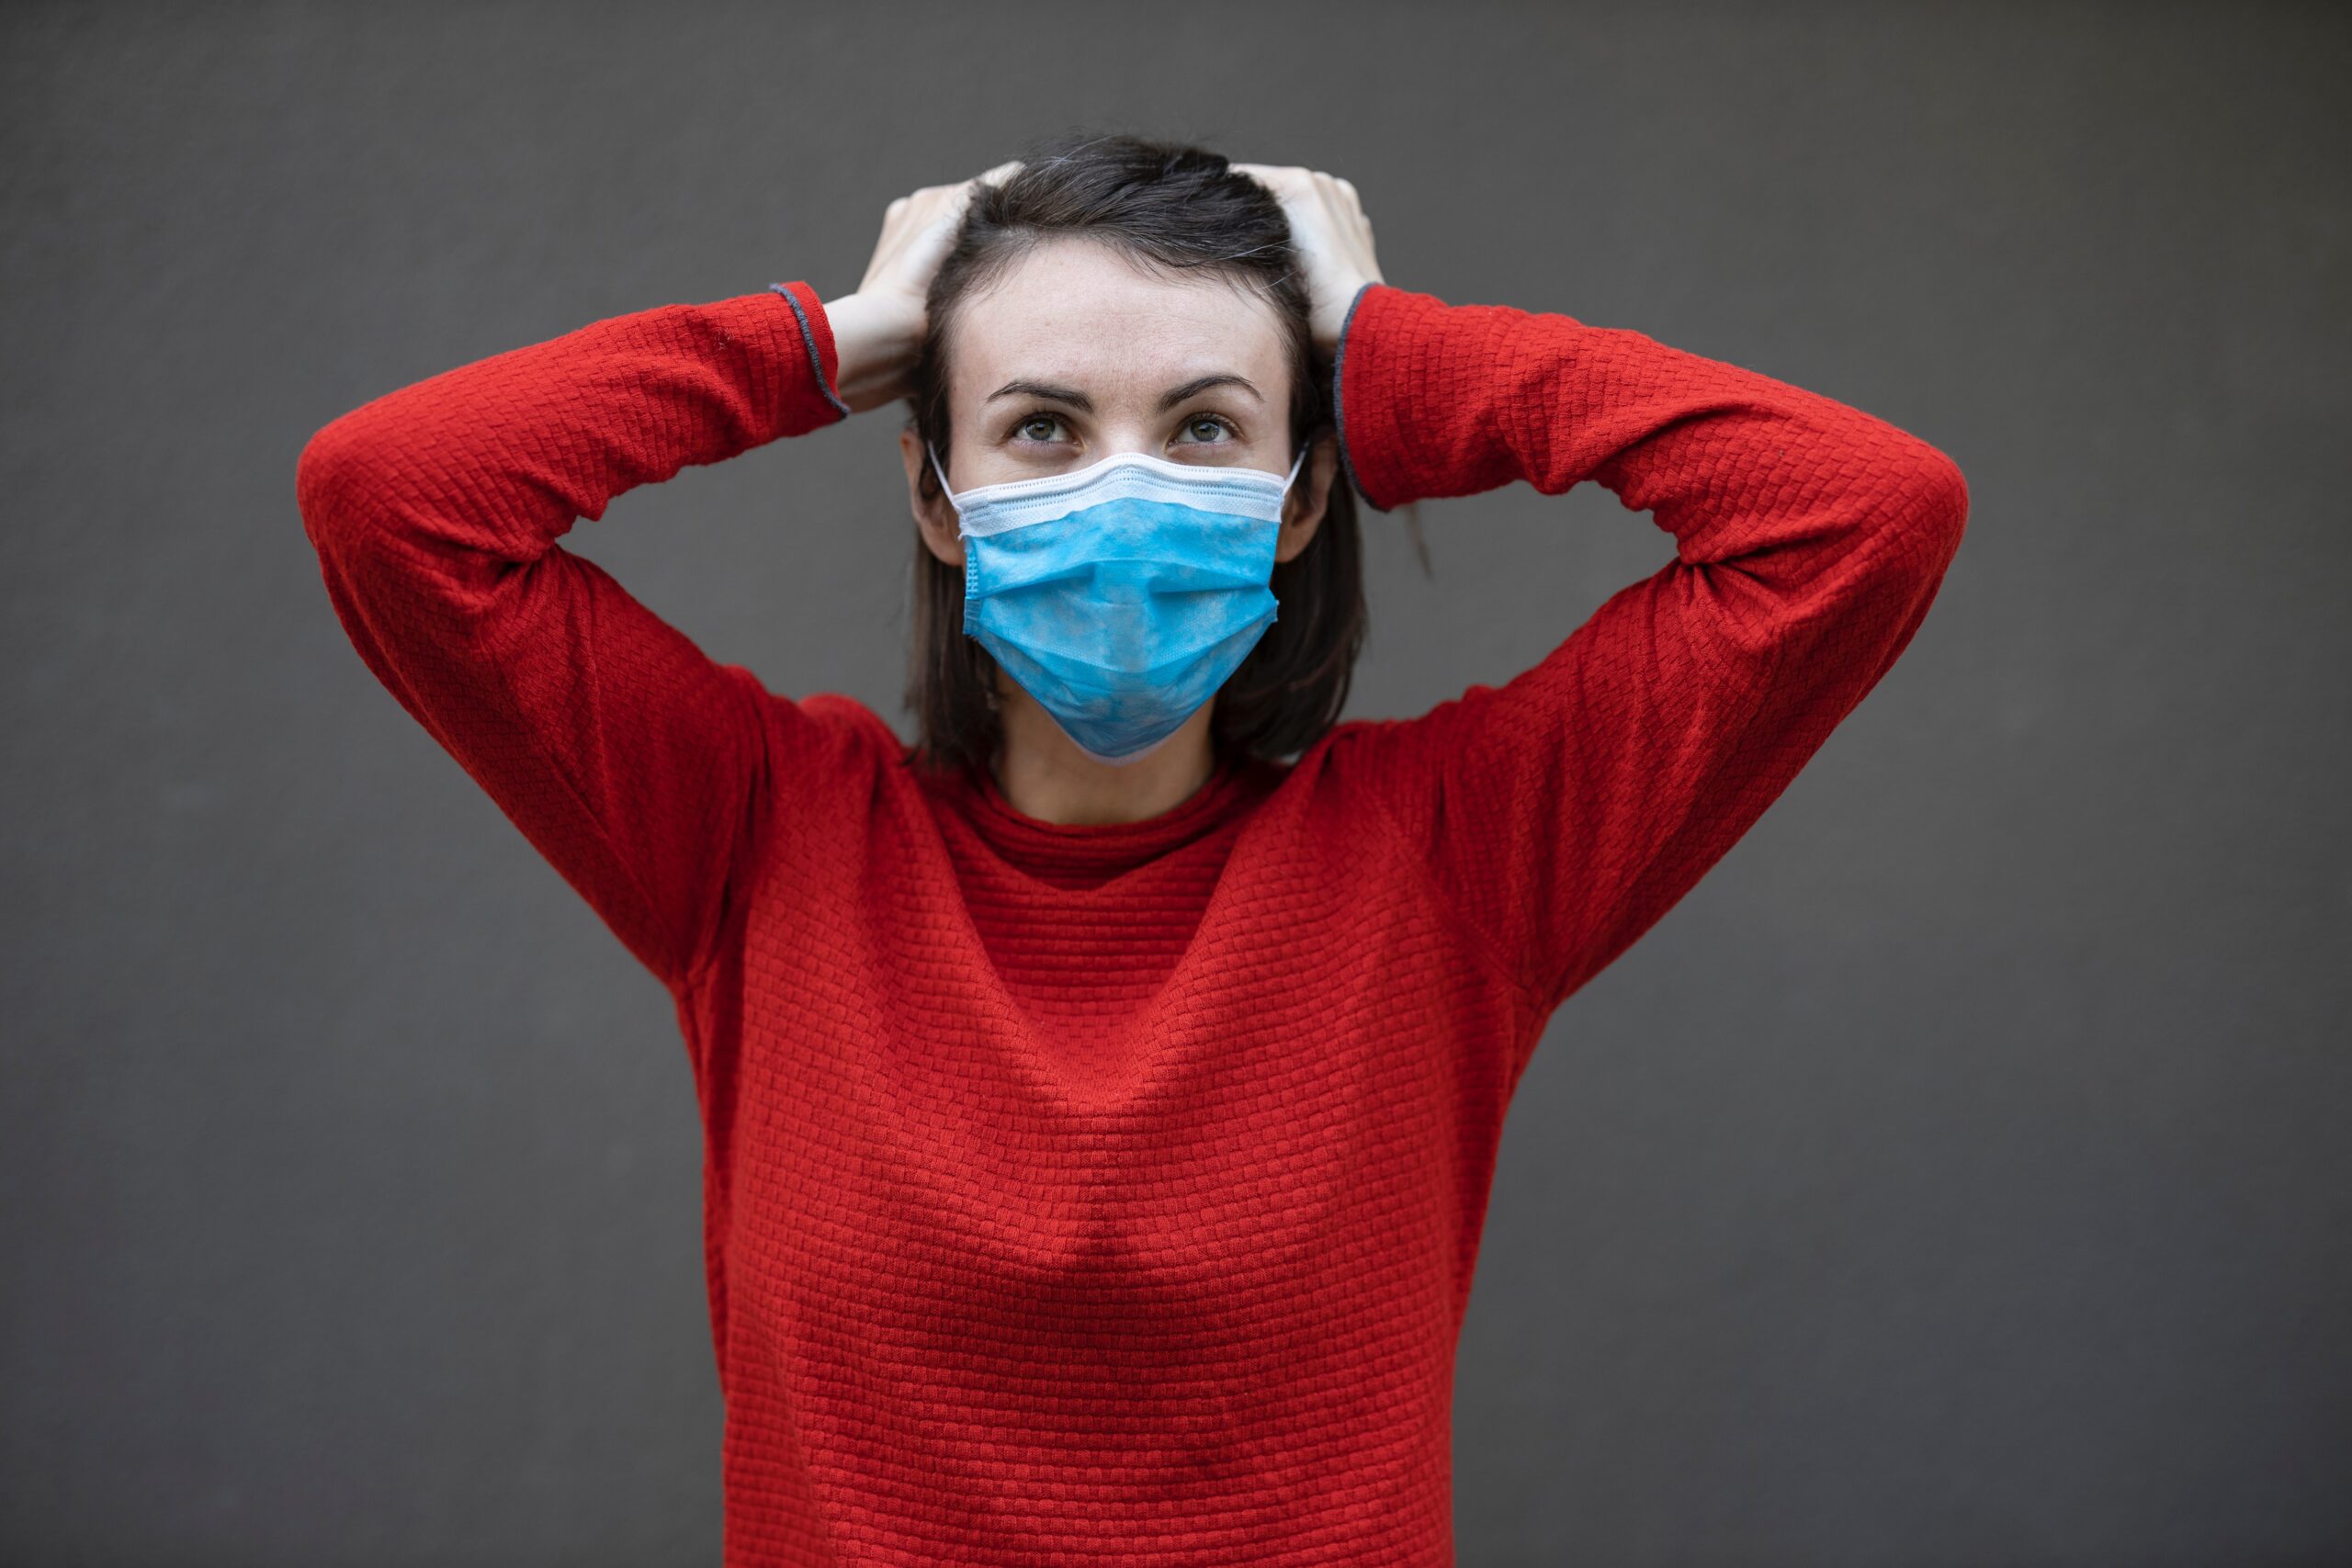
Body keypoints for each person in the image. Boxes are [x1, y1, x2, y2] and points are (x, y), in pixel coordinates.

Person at [296, 130, 1968, 1565]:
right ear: (937, 498)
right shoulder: (756, 836)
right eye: (1039, 427)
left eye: (1204, 429)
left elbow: (1859, 514)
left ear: (1303, 498)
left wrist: (1392, 350)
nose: (1122, 490)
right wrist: (825, 339)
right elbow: (391, 498)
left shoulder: (1458, 858)